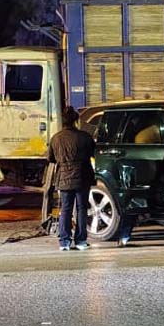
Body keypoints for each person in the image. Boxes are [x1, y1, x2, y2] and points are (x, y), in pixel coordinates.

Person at [46, 107, 95, 251]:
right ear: (76, 121)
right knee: (81, 209)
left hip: (64, 178)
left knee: (65, 209)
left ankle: (64, 242)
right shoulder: (85, 137)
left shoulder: (56, 138)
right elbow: (93, 153)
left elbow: (51, 158)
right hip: (82, 177)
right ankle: (80, 241)